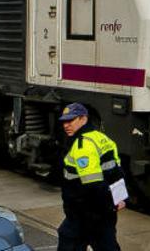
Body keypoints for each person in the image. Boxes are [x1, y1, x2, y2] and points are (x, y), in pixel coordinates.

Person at [57, 103, 126, 251]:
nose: (66, 125)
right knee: (107, 245)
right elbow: (117, 171)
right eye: (64, 121)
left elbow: (92, 183)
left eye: (71, 121)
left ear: (84, 119)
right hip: (104, 212)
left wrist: (108, 202)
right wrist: (118, 199)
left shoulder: (83, 145)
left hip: (85, 212)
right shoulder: (102, 138)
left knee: (68, 242)